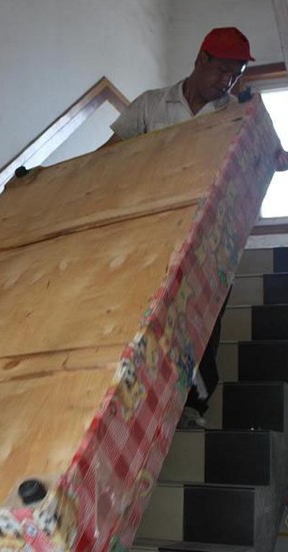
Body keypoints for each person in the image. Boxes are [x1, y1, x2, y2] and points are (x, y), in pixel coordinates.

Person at [106, 27, 255, 429]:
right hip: (151, 233)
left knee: (203, 319)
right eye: (222, 70)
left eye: (236, 74)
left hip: (210, 237)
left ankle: (193, 406)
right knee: (143, 316)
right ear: (201, 59)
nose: (227, 81)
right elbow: (107, 160)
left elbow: (260, 160)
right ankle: (135, 402)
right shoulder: (151, 105)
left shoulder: (234, 112)